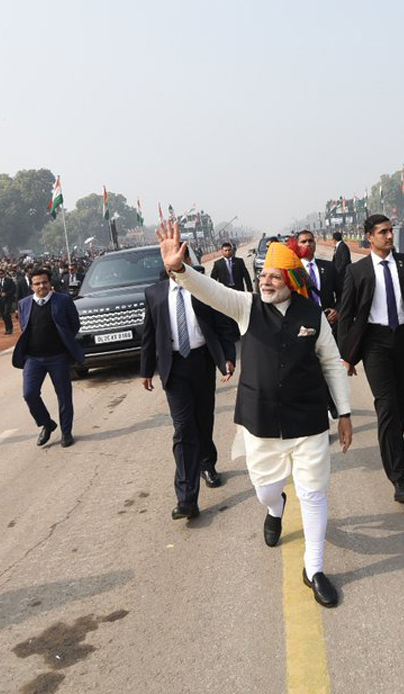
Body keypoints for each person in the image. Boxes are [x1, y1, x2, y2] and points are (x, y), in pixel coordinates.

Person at [157, 223, 352, 607]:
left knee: (313, 493)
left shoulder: (312, 315)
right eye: (263, 274)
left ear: (292, 281)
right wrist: (180, 271)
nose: (265, 281)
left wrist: (343, 413)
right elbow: (212, 292)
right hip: (260, 423)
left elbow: (331, 363)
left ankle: (313, 568)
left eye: (274, 276)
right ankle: (275, 508)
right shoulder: (247, 307)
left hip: (308, 420)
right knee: (265, 488)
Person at [338, 213, 404, 504]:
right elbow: (346, 316)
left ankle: (397, 448)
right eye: (382, 232)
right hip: (375, 344)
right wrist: (346, 356)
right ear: (370, 237)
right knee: (386, 405)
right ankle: (398, 477)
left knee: (402, 401)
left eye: (390, 231)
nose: (389, 236)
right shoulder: (357, 272)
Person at [140, 259, 236, 519]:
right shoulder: (154, 293)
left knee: (203, 420)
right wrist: (146, 369)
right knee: (183, 429)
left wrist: (228, 356)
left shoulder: (204, 289)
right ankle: (186, 499)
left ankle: (207, 464)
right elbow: (149, 333)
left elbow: (223, 324)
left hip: (202, 361)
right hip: (174, 367)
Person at [13, 267, 84, 448]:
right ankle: (46, 423)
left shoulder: (63, 301)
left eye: (44, 282)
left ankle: (66, 432)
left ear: (50, 283)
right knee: (29, 394)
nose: (41, 286)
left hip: (58, 357)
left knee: (64, 395)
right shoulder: (24, 304)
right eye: (37, 283)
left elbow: (74, 325)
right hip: (33, 358)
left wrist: (64, 342)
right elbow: (24, 327)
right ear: (31, 286)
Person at [295, 229, 338, 324]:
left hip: (328, 321)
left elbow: (342, 293)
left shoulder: (329, 267)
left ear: (315, 243)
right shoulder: (294, 270)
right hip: (304, 322)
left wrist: (337, 310)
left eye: (310, 241)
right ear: (297, 245)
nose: (307, 244)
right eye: (303, 242)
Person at [0, 268, 17, 335]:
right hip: (0, 300)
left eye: (1, 274)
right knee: (3, 315)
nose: (0, 275)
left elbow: (13, 289)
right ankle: (7, 328)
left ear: (4, 274)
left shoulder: (9, 281)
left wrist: (6, 293)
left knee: (6, 313)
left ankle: (10, 328)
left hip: (7, 299)